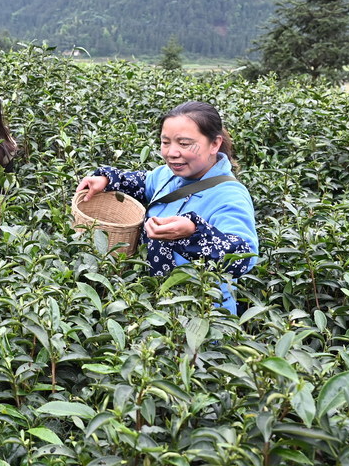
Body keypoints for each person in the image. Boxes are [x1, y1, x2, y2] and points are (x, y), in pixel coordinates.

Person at [75, 101, 258, 314]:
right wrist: (108, 179)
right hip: (154, 305)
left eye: (185, 143)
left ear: (215, 144)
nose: (172, 152)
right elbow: (143, 182)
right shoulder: (168, 175)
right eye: (165, 142)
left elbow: (244, 257)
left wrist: (193, 232)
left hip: (200, 315)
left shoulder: (229, 195)